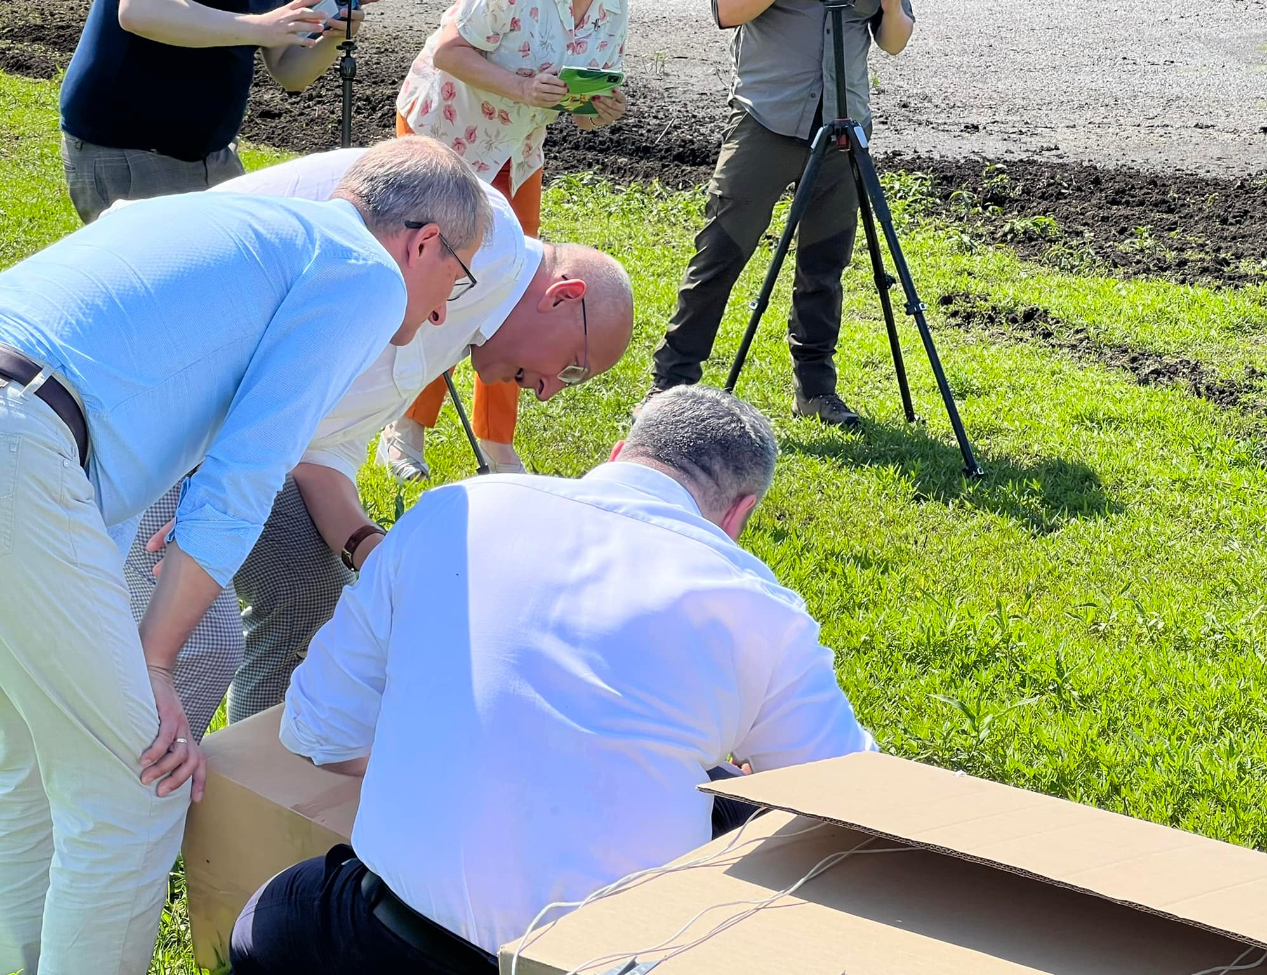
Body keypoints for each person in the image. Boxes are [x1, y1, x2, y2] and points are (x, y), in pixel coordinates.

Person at [0, 137, 490, 975]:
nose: (446, 309)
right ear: (421, 242)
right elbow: (246, 477)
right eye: (462, 273)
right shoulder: (363, 271)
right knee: (135, 787)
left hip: (29, 423)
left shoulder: (249, 224)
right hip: (24, 439)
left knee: (34, 769)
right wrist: (155, 663)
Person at [228, 385, 874, 973]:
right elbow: (853, 804)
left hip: (390, 936)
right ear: (739, 512)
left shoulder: (452, 508)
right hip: (602, 960)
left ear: (620, 451)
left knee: (270, 919)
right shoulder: (761, 607)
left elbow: (317, 727)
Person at [119, 146, 634, 737]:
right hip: (149, 394)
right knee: (196, 643)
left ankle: (255, 798)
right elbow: (258, 412)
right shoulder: (478, 242)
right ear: (564, 297)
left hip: (225, 427)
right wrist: (204, 503)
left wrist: (375, 552)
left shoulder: (465, 301)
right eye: (571, 367)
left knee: (312, 594)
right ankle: (127, 809)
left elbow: (322, 451)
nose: (547, 392)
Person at [384, 0, 631, 479]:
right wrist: (522, 88)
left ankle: (496, 440)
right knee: (440, 285)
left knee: (519, 290)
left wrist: (598, 109)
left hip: (516, 155)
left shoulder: (612, 8)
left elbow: (580, 108)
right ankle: (405, 427)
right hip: (444, 135)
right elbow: (448, 52)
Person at [641, 0, 915, 428]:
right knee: (718, 256)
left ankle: (815, 389)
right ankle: (670, 386)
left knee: (825, 267)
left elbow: (894, 41)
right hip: (764, 121)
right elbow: (726, 13)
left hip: (842, 131)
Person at [59, 0, 372, 223]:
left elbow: (290, 71)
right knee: (172, 302)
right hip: (126, 148)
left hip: (211, 153)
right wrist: (260, 27)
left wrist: (333, 37)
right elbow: (140, 11)